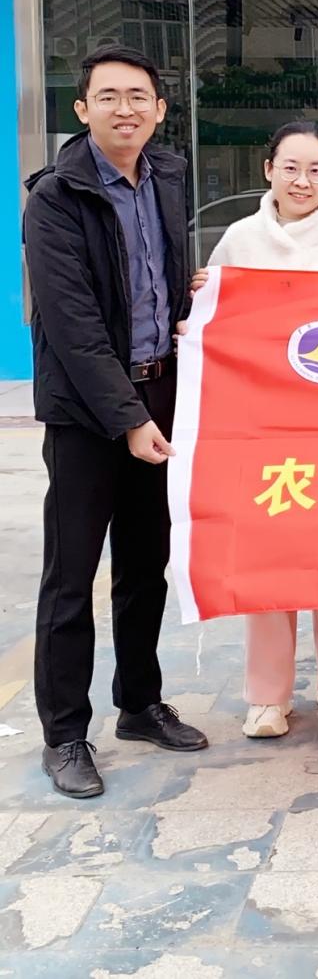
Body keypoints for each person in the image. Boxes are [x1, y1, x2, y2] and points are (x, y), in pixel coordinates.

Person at [23, 45, 208, 799]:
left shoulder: (165, 174)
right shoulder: (54, 198)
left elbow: (156, 280)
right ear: (83, 109)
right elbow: (72, 325)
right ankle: (65, 734)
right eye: (108, 97)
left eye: (138, 97)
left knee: (144, 563)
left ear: (159, 110)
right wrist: (128, 418)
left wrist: (197, 298)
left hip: (159, 396)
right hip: (86, 413)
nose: (124, 109)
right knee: (71, 576)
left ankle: (139, 702)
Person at [201, 122, 318, 738]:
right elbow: (212, 323)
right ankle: (267, 694)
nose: (302, 180)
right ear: (269, 170)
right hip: (262, 425)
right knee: (267, 555)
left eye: (315, 169)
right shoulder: (239, 240)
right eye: (290, 167)